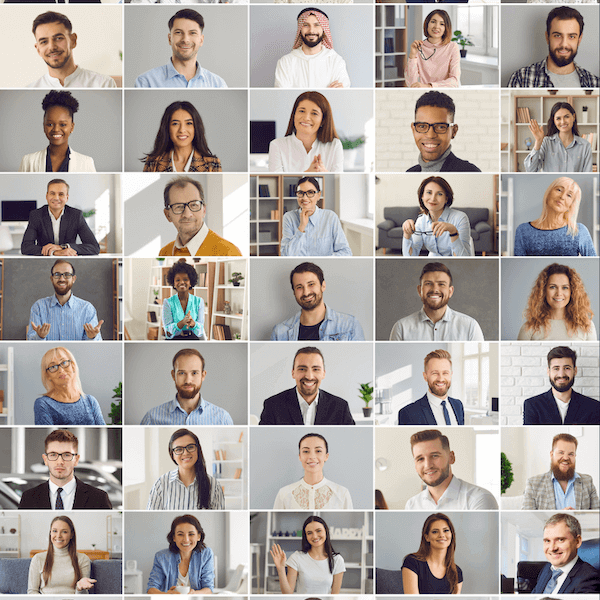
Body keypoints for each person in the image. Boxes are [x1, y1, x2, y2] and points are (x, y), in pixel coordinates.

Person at [507, 6, 600, 88]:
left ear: (579, 39)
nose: (564, 44)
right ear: (547, 37)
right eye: (557, 36)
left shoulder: (594, 83)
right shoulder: (521, 78)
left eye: (571, 36)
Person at [259, 347, 355, 425]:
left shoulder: (340, 407)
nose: (309, 376)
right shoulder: (272, 406)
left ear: (323, 374)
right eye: (302, 369)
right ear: (293, 373)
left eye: (316, 369)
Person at [19, 429, 112, 509]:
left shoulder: (99, 499)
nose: (60, 461)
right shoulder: (28, 498)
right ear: (45, 459)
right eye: (53, 455)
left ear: (76, 459)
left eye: (66, 455)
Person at [390, 263, 484, 341]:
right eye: (428, 284)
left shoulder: (470, 327)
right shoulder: (401, 328)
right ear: (419, 290)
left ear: (450, 291)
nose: (435, 289)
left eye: (441, 284)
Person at [271, 262, 365, 341]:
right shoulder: (279, 333)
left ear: (323, 286)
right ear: (294, 292)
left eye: (311, 284)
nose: (306, 292)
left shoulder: (350, 325)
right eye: (299, 287)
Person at [406, 429, 497, 510]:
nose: (428, 465)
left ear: (451, 457)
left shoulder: (479, 499)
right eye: (420, 459)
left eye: (434, 456)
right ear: (415, 464)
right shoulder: (412, 505)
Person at [135, 9, 227, 88]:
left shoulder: (217, 84)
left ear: (201, 40)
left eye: (192, 33)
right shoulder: (146, 82)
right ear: (170, 38)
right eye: (178, 32)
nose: (185, 40)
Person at [141, 348, 234, 425]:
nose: (188, 380)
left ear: (203, 375)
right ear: (173, 375)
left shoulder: (222, 419)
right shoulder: (152, 418)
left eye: (194, 373)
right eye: (181, 373)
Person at [28, 11, 116, 89]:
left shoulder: (103, 84)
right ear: (38, 49)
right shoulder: (30, 92)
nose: (52, 47)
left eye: (58, 38)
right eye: (44, 42)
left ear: (73, 40)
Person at [159, 176, 241, 256]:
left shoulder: (229, 252)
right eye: (179, 207)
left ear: (204, 210)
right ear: (168, 215)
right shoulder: (164, 253)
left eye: (194, 205)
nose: (187, 214)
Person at [514, 179, 596, 256]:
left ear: (571, 205)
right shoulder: (523, 230)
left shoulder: (579, 231)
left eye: (569, 195)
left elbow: (594, 264)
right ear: (548, 194)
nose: (562, 197)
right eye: (559, 190)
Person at [19, 90, 96, 173]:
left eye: (62, 124)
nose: (56, 129)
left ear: (72, 127)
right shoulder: (28, 161)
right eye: (50, 124)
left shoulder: (86, 163)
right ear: (44, 126)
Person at [147, 429, 224, 510]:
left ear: (198, 450)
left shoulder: (214, 486)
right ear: (172, 454)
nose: (185, 453)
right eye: (179, 449)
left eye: (190, 447)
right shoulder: (161, 485)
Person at [517, 264, 597, 341]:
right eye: (553, 287)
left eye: (565, 287)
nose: (559, 293)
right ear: (543, 291)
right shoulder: (529, 328)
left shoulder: (587, 326)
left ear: (572, 291)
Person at [274, 8, 350, 89]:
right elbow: (282, 94)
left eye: (317, 25)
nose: (311, 30)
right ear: (300, 30)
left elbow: (340, 92)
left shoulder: (336, 61)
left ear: (323, 30)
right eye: (306, 25)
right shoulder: (286, 62)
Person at [28, 260, 103, 341]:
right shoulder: (38, 307)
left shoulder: (87, 309)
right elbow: (31, 343)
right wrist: (40, 337)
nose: (62, 279)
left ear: (73, 279)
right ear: (51, 279)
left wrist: (91, 338)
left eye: (67, 274)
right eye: (57, 274)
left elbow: (96, 347)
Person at [21, 179, 100, 256]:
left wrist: (62, 247)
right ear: (47, 196)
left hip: (68, 261)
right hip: (44, 261)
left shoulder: (76, 215)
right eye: (52, 193)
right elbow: (25, 247)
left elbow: (94, 247)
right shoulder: (36, 215)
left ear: (67, 197)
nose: (56, 198)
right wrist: (55, 252)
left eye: (61, 194)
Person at [268, 91, 343, 173]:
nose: (306, 118)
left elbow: (339, 182)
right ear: (294, 115)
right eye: (302, 111)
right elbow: (276, 183)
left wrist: (326, 175)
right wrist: (307, 174)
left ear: (323, 120)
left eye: (314, 113)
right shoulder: (277, 146)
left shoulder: (334, 145)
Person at [273, 433, 353, 509]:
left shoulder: (342, 493)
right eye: (306, 451)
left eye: (318, 451)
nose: (312, 456)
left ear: (326, 456)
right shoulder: (284, 494)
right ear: (300, 456)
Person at [523, 346, 600, 425]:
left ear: (575, 370)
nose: (561, 374)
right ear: (548, 371)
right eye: (556, 368)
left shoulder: (593, 407)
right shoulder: (532, 405)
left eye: (567, 368)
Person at [522, 433, 599, 510]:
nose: (566, 458)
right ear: (552, 455)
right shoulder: (533, 484)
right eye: (561, 452)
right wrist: (559, 517)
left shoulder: (587, 481)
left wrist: (577, 517)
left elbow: (597, 516)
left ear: (575, 456)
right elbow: (526, 519)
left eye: (571, 454)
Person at [407, 91, 480, 172]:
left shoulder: (469, 171)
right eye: (422, 126)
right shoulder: (410, 172)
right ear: (413, 130)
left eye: (440, 127)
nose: (430, 135)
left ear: (454, 131)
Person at [271, 516, 345, 594]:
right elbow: (287, 593)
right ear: (305, 536)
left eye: (318, 531)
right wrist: (281, 569)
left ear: (326, 531)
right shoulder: (296, 557)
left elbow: (335, 595)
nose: (315, 536)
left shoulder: (337, 560)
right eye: (309, 533)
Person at [401, 177, 472, 257]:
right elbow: (410, 257)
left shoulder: (460, 218)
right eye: (429, 192)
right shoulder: (421, 221)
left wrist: (453, 232)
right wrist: (407, 234)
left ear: (446, 199)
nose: (433, 198)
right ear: (422, 196)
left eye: (439, 194)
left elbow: (463, 260)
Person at [142, 102, 221, 173]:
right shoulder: (153, 162)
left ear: (196, 127)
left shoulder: (212, 163)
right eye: (175, 124)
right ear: (167, 128)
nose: (182, 130)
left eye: (189, 123)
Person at [281, 177, 351, 256]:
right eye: (300, 193)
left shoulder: (330, 217)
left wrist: (322, 262)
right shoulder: (289, 217)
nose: (304, 198)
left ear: (318, 195)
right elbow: (286, 255)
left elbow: (346, 252)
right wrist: (301, 227)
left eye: (310, 192)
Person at [35, 347, 105, 426]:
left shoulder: (90, 401)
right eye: (53, 367)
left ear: (73, 366)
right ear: (48, 375)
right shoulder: (43, 404)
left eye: (64, 363)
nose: (61, 370)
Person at [531, 514, 600, 593]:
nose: (552, 548)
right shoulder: (547, 568)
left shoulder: (589, 579)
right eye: (547, 541)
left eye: (560, 540)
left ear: (577, 541)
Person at [27, 516, 96, 594]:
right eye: (54, 531)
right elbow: (32, 592)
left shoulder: (83, 559)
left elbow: (83, 597)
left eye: (64, 532)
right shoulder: (38, 558)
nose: (58, 535)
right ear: (50, 533)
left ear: (71, 535)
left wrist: (80, 589)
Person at [147, 514, 214, 594]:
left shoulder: (206, 554)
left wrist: (194, 594)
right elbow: (151, 589)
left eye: (191, 534)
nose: (186, 539)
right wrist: (166, 595)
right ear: (174, 537)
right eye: (180, 534)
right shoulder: (161, 557)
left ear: (198, 536)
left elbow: (209, 588)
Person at [398, 349, 464, 425]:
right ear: (425, 376)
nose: (441, 379)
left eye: (445, 373)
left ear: (451, 375)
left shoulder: (458, 405)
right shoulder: (408, 413)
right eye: (435, 373)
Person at [402, 513, 463, 594]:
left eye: (446, 530)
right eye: (435, 532)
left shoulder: (456, 572)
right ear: (427, 537)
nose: (441, 535)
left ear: (451, 534)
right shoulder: (412, 562)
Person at [525, 103, 593, 173]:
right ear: (554, 121)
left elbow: (587, 176)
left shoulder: (585, 146)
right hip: (551, 184)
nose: (563, 122)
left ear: (573, 117)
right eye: (558, 118)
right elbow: (530, 170)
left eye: (566, 117)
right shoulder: (546, 142)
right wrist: (538, 141)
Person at [405, 11, 460, 88]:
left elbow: (455, 81)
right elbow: (411, 83)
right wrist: (412, 55)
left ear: (446, 28)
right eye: (433, 22)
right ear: (427, 24)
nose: (436, 27)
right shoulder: (419, 47)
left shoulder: (452, 47)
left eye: (442, 24)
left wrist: (429, 86)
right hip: (425, 94)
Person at [163, 261, 206, 340]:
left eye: (185, 279)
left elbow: (200, 330)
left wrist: (194, 324)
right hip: (173, 340)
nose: (182, 282)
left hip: (193, 339)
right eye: (178, 280)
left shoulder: (199, 301)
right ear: (173, 283)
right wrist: (181, 323)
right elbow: (168, 332)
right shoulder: (168, 302)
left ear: (190, 282)